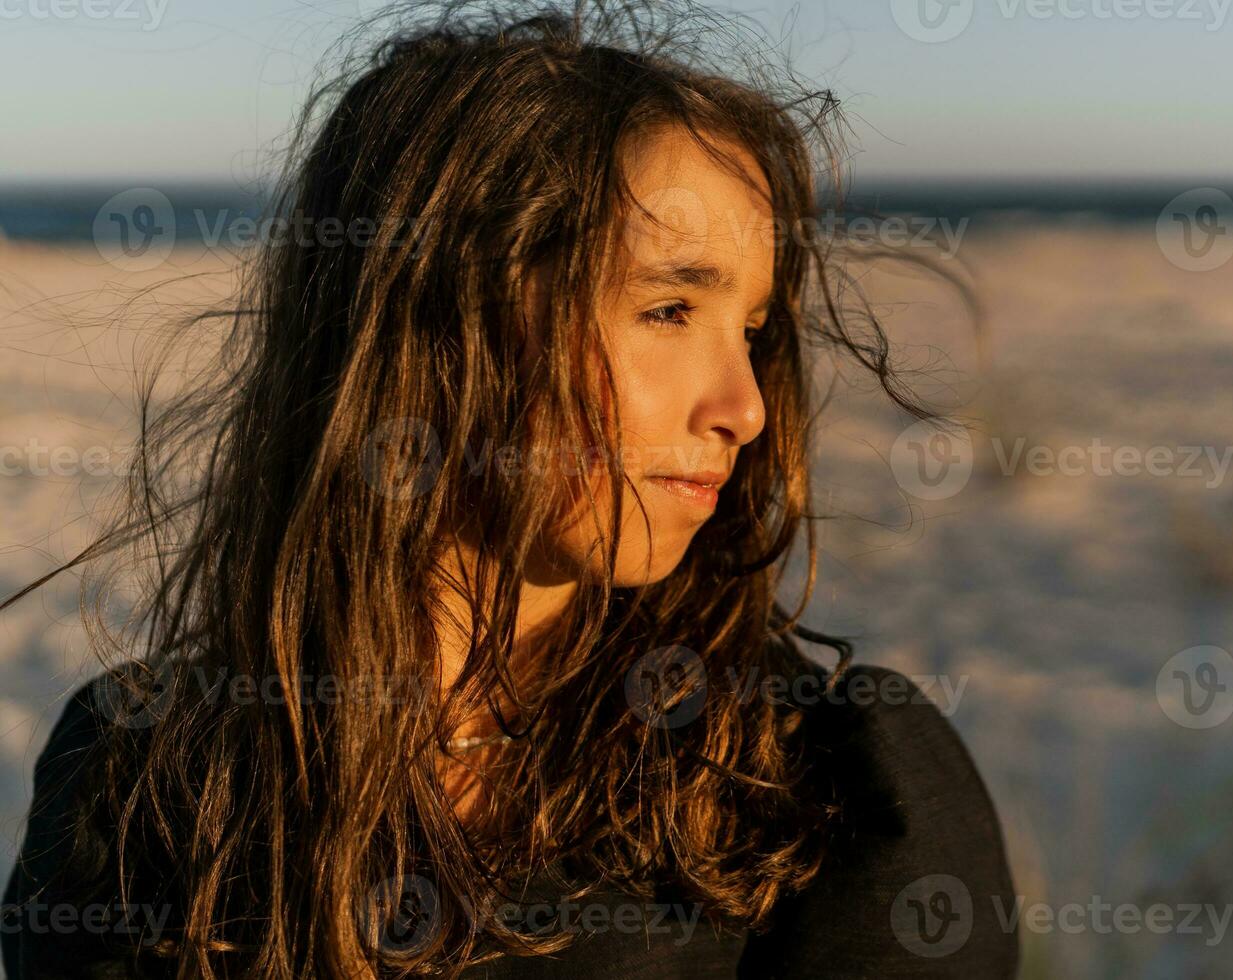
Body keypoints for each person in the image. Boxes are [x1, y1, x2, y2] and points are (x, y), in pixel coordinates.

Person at [1, 2, 1017, 976]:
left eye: (751, 330)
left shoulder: (816, 787)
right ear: (434, 324)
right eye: (668, 309)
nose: (745, 408)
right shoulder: (146, 780)